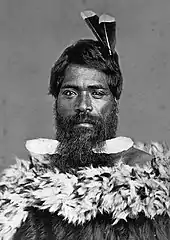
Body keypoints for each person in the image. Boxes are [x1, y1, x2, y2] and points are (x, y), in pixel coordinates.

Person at [0, 11, 170, 240]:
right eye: (70, 92)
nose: (83, 105)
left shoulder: (149, 183)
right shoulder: (21, 195)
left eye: (97, 93)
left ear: (114, 102)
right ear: (56, 100)